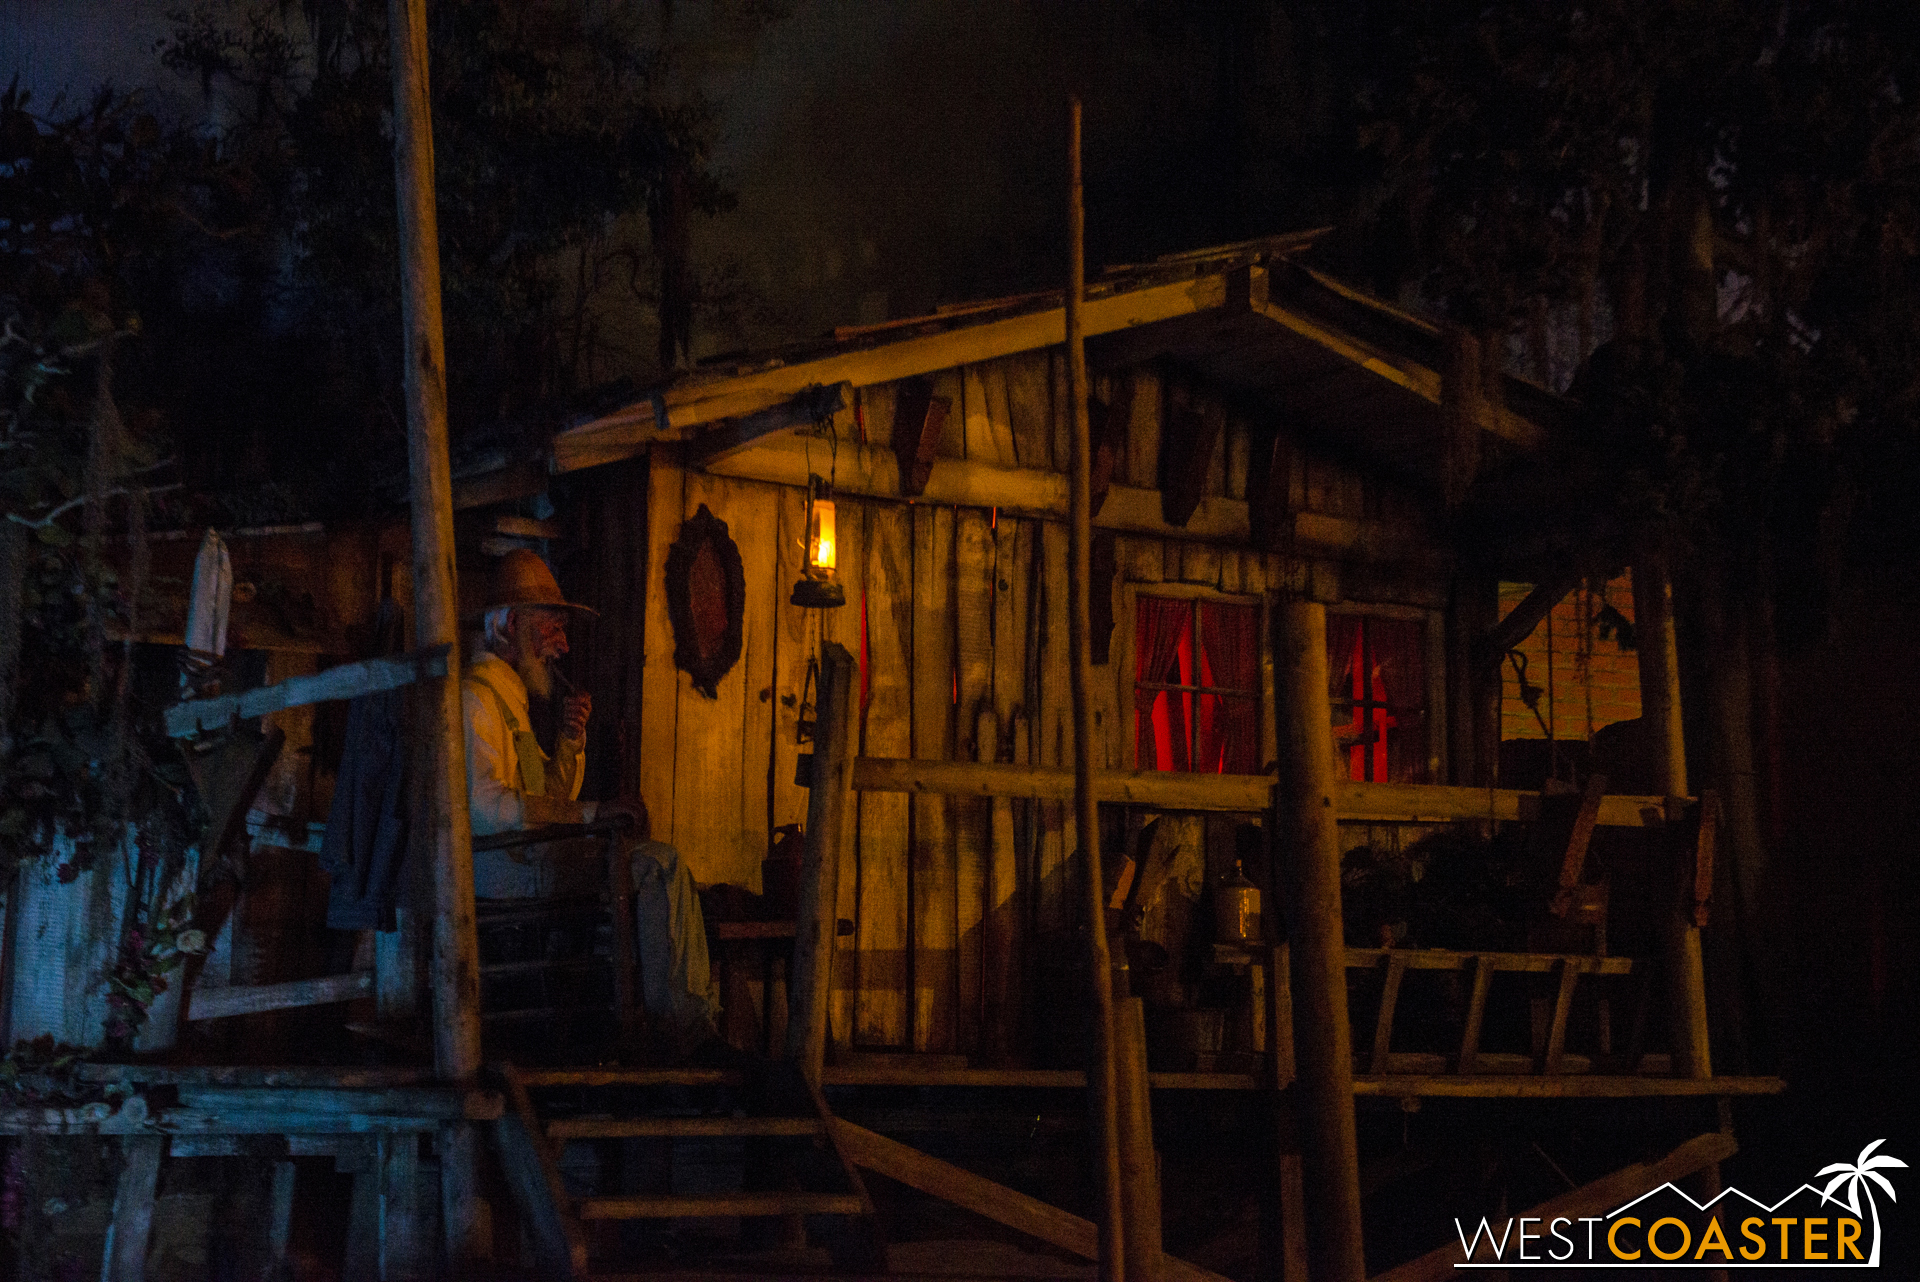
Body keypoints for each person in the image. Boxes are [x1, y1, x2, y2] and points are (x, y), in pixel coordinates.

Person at [463, 549, 720, 1057]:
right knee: (657, 866)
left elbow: (546, 801)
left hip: (525, 860)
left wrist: (569, 743)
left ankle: (676, 1024)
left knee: (649, 860)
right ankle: (683, 1032)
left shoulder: (509, 704)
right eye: (550, 629)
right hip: (504, 870)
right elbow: (486, 809)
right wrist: (590, 815)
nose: (560, 647)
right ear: (510, 625)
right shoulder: (474, 699)